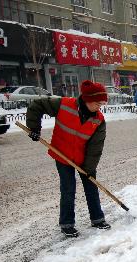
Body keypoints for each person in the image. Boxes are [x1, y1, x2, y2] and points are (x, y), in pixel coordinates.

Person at [26, 80, 111, 238]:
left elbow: (95, 148)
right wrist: (34, 128)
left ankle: (97, 219)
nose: (100, 106)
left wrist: (88, 168)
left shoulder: (98, 120)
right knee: (68, 189)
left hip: (84, 159)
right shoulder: (64, 104)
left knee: (91, 187)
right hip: (62, 155)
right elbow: (37, 105)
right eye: (98, 103)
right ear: (88, 100)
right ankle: (67, 224)